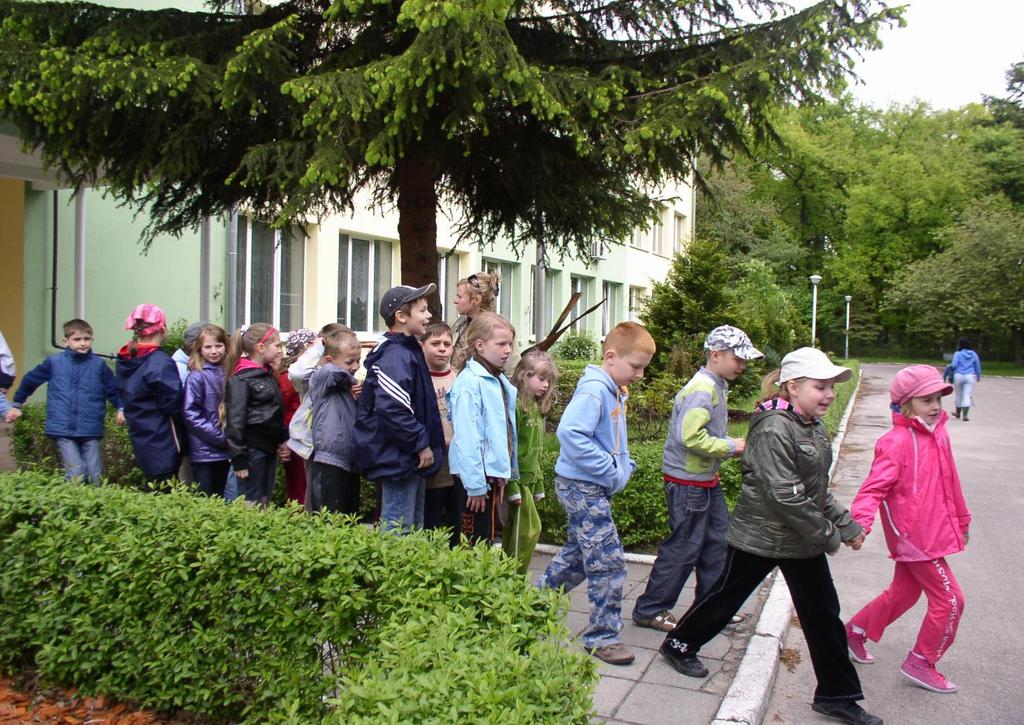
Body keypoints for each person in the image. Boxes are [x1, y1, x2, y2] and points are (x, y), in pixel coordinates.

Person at [659, 347, 882, 725]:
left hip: (798, 539)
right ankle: (679, 646)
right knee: (723, 598)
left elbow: (815, 490)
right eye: (820, 386)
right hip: (760, 537)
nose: (828, 394)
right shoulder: (775, 427)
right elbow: (784, 494)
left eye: (831, 387)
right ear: (792, 387)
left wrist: (847, 526)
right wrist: (829, 535)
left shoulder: (809, 424)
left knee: (823, 614)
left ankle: (836, 695)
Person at [845, 365, 970, 694]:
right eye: (925, 400)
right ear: (905, 404)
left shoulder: (938, 435)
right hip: (915, 539)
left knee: (905, 592)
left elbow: (950, 482)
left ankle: (854, 631)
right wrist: (861, 523)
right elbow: (873, 489)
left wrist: (962, 520)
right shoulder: (895, 442)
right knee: (951, 600)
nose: (934, 406)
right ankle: (921, 661)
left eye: (938, 399)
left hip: (935, 533)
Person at [537, 321, 656, 666]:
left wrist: (625, 465)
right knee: (608, 562)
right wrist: (611, 469)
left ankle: (529, 608)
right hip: (581, 486)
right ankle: (602, 637)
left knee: (577, 556)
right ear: (611, 357)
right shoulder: (594, 390)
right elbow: (571, 434)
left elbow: (612, 438)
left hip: (591, 485)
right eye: (636, 366)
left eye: (643, 368)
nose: (640, 374)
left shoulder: (613, 388)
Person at [633, 325, 761, 632]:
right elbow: (689, 437)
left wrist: (724, 444)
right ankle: (650, 609)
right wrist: (732, 446)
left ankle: (712, 607)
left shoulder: (715, 384)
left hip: (704, 479)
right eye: (737, 358)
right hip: (688, 482)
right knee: (684, 548)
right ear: (715, 355)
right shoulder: (702, 389)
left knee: (717, 542)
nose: (742, 365)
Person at [353, 284, 445, 532]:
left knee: (412, 528)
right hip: (400, 457)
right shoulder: (396, 354)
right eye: (423, 310)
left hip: (406, 457)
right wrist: (420, 443)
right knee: (398, 531)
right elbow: (393, 409)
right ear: (401, 317)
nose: (428, 316)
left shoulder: (406, 350)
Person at [6, 319, 124, 483]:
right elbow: (30, 380)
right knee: (76, 472)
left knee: (96, 475)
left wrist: (121, 407)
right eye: (77, 339)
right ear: (65, 341)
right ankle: (73, 504)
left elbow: (113, 389)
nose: (82, 343)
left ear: (92, 339)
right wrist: (17, 403)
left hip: (90, 428)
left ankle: (94, 507)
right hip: (63, 429)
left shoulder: (98, 365)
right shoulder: (54, 363)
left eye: (86, 339)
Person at [449, 312, 519, 545]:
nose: (507, 350)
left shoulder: (496, 378)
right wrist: (476, 486)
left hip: (488, 476)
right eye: (500, 344)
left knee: (485, 539)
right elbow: (468, 439)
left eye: (509, 343)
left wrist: (502, 470)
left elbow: (501, 431)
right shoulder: (469, 383)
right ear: (479, 345)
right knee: (472, 543)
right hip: (474, 480)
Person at [285, 323, 357, 509]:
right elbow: (297, 372)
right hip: (319, 452)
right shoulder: (317, 376)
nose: (355, 366)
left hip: (343, 452)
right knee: (320, 506)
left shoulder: (341, 378)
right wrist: (317, 346)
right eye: (350, 362)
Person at [116, 304, 185, 484]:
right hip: (163, 436)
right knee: (166, 486)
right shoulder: (159, 362)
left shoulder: (127, 357)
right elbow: (172, 402)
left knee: (153, 482)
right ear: (162, 328)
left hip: (141, 434)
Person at [505, 348, 558, 574]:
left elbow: (535, 452)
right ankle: (512, 578)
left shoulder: (536, 408)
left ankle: (513, 576)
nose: (545, 385)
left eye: (548, 381)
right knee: (525, 532)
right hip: (517, 483)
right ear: (523, 375)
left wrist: (539, 484)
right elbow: (509, 450)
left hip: (528, 482)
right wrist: (512, 486)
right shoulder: (517, 407)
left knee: (526, 530)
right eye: (541, 379)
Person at [224, 323, 289, 505]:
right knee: (249, 501)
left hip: (267, 448)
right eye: (276, 345)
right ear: (260, 348)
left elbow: (275, 410)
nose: (279, 351)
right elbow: (235, 420)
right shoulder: (242, 378)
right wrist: (239, 459)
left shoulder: (266, 374)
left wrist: (283, 438)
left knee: (263, 499)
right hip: (252, 449)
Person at [307, 331, 363, 515]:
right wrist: (352, 381)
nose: (355, 366)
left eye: (358, 361)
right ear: (329, 359)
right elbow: (332, 371)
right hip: (328, 461)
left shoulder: (345, 386)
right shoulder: (322, 377)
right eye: (349, 362)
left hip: (349, 462)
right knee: (328, 517)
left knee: (349, 517)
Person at [420, 322, 460, 547]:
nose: (442, 348)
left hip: (455, 469)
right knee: (431, 525)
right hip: (431, 470)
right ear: (422, 346)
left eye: (447, 344)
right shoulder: (419, 378)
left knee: (456, 525)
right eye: (435, 343)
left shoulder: (459, 378)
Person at [182, 324, 231, 497]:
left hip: (226, 450)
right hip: (204, 451)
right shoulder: (197, 376)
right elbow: (190, 414)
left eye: (218, 346)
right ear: (199, 349)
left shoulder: (229, 372)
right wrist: (219, 437)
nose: (214, 351)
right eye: (208, 347)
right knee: (205, 496)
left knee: (221, 496)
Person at [279, 328, 317, 504]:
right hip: (296, 439)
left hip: (299, 437)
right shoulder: (288, 378)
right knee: (300, 489)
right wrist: (284, 439)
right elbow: (283, 410)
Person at [450, 270, 501, 372]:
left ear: (477, 300)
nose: (455, 301)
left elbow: (511, 372)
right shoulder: (459, 323)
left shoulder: (497, 330)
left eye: (459, 297)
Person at [949, 338, 981, 421]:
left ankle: (958, 413)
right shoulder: (974, 354)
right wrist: (978, 376)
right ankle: (965, 415)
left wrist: (950, 370)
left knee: (958, 395)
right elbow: (977, 366)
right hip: (970, 376)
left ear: (960, 345)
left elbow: (954, 365)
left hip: (958, 376)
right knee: (967, 395)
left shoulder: (957, 354)